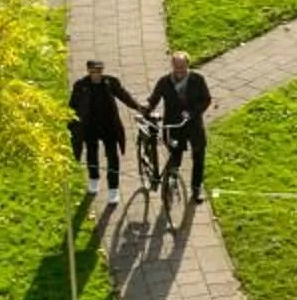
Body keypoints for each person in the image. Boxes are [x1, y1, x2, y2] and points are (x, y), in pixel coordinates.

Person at [68, 58, 143, 205]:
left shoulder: (110, 82)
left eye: (99, 71)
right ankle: (94, 179)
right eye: (93, 71)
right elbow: (72, 106)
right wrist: (70, 123)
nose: (96, 74)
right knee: (91, 153)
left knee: (112, 156)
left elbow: (123, 96)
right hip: (90, 125)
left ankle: (113, 189)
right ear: (88, 71)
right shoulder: (80, 85)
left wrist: (138, 107)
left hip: (109, 125)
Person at [146, 49, 212, 202]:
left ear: (188, 65)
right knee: (175, 156)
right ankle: (171, 182)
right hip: (174, 126)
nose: (180, 72)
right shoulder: (164, 82)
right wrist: (145, 109)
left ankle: (196, 188)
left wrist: (192, 113)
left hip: (194, 126)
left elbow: (206, 100)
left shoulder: (198, 79)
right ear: (172, 66)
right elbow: (154, 99)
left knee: (198, 157)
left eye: (182, 68)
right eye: (177, 68)